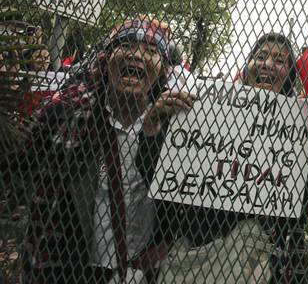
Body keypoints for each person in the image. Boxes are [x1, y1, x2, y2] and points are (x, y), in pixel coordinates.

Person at [158, 33, 308, 284]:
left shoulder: (294, 127)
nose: (268, 65)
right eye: (260, 56)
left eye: (280, 60)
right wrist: (157, 126)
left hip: (264, 265)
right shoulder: (212, 113)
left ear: (290, 74)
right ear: (247, 66)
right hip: (204, 252)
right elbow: (173, 183)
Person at [18, 18, 194, 284]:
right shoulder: (65, 114)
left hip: (141, 272)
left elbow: (183, 204)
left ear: (161, 72)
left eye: (151, 51)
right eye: (126, 46)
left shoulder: (177, 128)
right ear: (106, 58)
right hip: (66, 268)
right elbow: (22, 173)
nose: (136, 55)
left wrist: (151, 134)